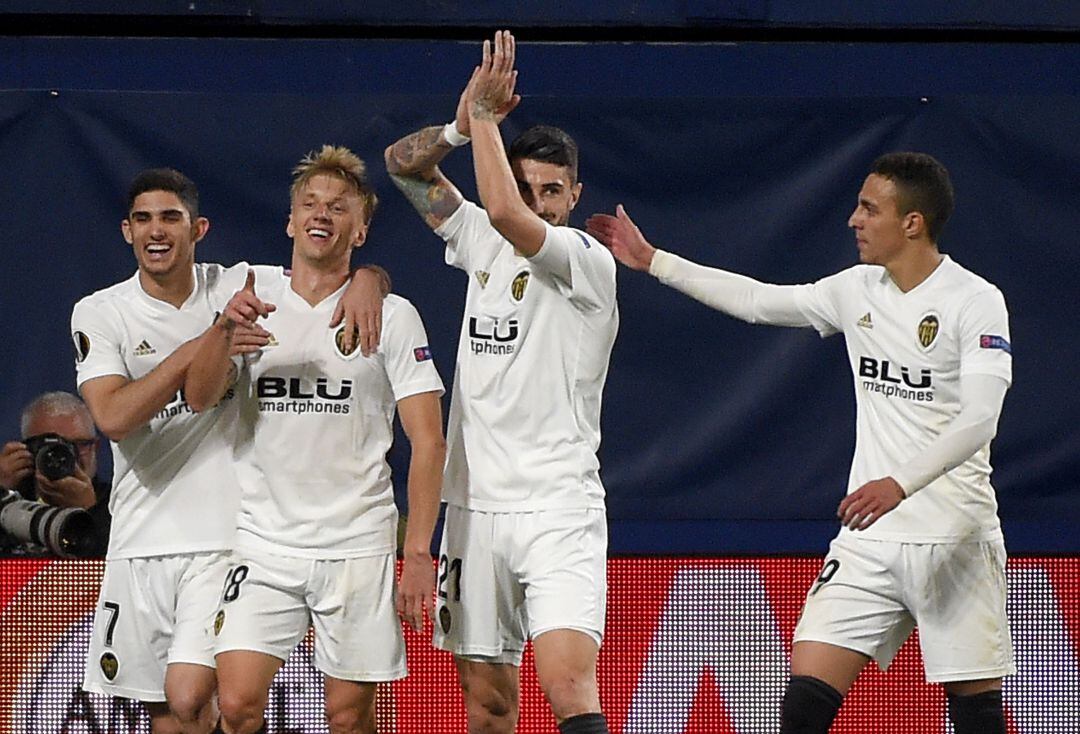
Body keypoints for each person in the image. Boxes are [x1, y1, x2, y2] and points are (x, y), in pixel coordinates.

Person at [586, 152, 1013, 734]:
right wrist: (655, 261)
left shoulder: (975, 300)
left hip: (955, 538)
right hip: (871, 538)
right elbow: (761, 303)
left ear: (913, 222)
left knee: (977, 714)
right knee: (804, 702)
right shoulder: (857, 289)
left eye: (869, 208)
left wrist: (898, 483)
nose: (853, 219)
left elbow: (980, 419)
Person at [72, 167, 385, 734]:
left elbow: (323, 270)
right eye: (143, 219)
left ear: (200, 228)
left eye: (171, 217)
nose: (156, 231)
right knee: (164, 711)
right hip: (139, 536)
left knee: (192, 697)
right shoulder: (101, 311)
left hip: (224, 538)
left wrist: (371, 279)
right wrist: (208, 339)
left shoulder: (243, 284)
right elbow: (113, 417)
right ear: (126, 231)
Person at [385, 31, 618, 734]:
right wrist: (460, 125)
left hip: (558, 512)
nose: (539, 203)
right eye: (527, 187)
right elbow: (399, 166)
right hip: (476, 513)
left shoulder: (584, 261)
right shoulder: (481, 239)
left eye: (554, 190)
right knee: (487, 706)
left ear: (575, 195)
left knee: (568, 684)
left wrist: (486, 119)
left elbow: (512, 218)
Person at [184, 145, 446, 734]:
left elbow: (428, 442)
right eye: (309, 204)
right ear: (290, 220)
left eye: (337, 206)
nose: (320, 214)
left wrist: (420, 552)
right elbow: (199, 398)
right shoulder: (249, 296)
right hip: (262, 542)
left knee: (349, 717)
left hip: (356, 543)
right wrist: (224, 333)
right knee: (238, 702)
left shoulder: (394, 316)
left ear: (361, 227)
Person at [0, 391, 110, 556]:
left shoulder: (119, 503)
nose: (66, 456)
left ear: (95, 447)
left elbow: (122, 572)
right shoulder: (8, 502)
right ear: (25, 449)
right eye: (52, 447)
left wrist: (90, 513)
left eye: (79, 444)